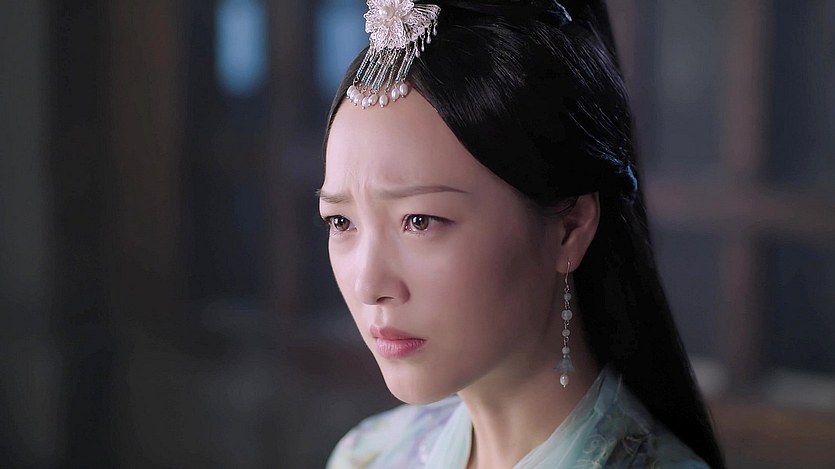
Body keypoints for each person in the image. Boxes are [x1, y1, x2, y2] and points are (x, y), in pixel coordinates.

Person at [318, 0, 725, 467]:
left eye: (420, 221)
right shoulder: (368, 456)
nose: (369, 286)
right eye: (341, 222)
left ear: (569, 228)